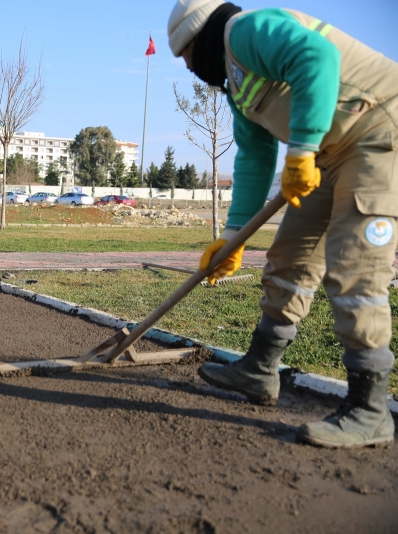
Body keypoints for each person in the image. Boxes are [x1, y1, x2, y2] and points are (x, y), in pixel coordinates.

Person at [168, 0, 397, 448]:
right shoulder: (236, 87)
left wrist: (300, 150)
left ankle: (370, 409)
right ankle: (259, 368)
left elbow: (319, 58)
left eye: (186, 57)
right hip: (329, 153)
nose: (189, 68)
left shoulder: (245, 30)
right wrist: (233, 238)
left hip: (377, 132)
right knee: (289, 257)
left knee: (354, 268)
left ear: (198, 41)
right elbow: (253, 158)